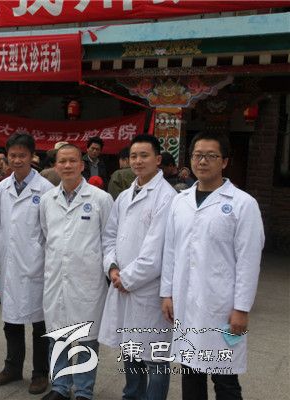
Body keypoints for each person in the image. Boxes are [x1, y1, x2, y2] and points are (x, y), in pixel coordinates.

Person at [161, 132, 264, 400]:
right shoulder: (180, 201)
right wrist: (167, 293)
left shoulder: (243, 204)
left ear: (224, 162)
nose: (202, 161)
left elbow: (249, 261)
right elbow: (170, 251)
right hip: (185, 301)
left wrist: (241, 308)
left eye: (211, 156)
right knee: (190, 371)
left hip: (222, 306)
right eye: (197, 155)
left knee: (225, 378)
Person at [98, 134, 177, 400]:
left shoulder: (167, 197)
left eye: (144, 155)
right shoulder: (123, 196)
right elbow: (109, 236)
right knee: (130, 349)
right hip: (122, 283)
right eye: (134, 156)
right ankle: (132, 395)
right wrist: (112, 268)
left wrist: (126, 278)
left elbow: (156, 252)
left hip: (149, 289)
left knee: (155, 357)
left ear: (158, 159)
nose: (138, 161)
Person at [39, 144, 113, 400]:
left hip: (87, 279)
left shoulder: (101, 199)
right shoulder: (48, 200)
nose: (67, 165)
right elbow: (46, 235)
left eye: (73, 161)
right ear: (56, 166)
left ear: (82, 165)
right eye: (63, 161)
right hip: (57, 278)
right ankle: (60, 387)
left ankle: (83, 391)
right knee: (58, 335)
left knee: (86, 339)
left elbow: (109, 240)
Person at [0, 133, 53, 394]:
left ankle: (40, 373)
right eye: (13, 156)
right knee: (12, 319)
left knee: (39, 323)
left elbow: (50, 231)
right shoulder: (1, 188)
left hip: (37, 264)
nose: (17, 160)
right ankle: (13, 367)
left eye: (22, 156)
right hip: (10, 263)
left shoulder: (45, 189)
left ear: (32, 156)